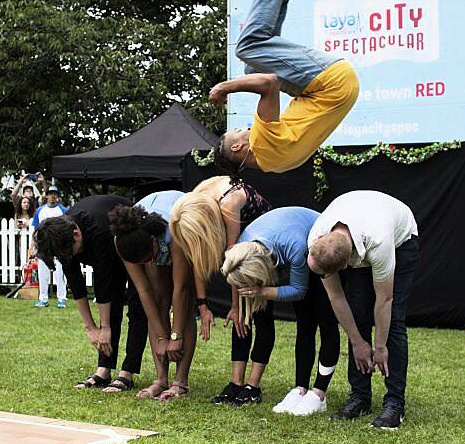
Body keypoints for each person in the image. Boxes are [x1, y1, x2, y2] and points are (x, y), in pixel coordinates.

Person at [211, 0, 360, 175]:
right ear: (237, 145)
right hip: (331, 83)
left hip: (334, 91)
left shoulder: (275, 165)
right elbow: (269, 83)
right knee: (248, 47)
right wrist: (224, 88)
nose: (246, 128)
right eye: (238, 131)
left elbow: (263, 77)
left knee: (254, 65)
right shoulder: (261, 144)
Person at [308, 190, 420, 431]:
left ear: (347, 266)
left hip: (401, 239)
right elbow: (336, 296)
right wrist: (358, 342)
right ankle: (360, 397)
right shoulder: (317, 239)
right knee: (358, 319)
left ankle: (394, 404)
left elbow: (385, 300)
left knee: (394, 323)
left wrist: (380, 348)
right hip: (357, 227)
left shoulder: (379, 242)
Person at [220, 207, 339, 415]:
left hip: (322, 246)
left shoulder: (294, 246)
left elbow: (299, 291)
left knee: (324, 319)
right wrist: (238, 303)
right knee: (304, 323)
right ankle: (300, 388)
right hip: (290, 240)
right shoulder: (243, 245)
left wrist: (263, 290)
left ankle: (319, 393)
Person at [169, 176, 272, 406]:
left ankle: (252, 386)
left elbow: (233, 258)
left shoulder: (229, 203)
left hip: (260, 245)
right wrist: (202, 305)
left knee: (255, 311)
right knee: (240, 320)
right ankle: (236, 383)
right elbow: (198, 257)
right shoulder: (194, 201)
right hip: (237, 247)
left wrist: (235, 306)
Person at [34, 195, 148, 393]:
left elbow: (104, 285)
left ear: (76, 235)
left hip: (131, 243)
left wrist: (103, 328)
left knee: (137, 308)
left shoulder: (98, 230)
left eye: (71, 252)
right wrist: (90, 327)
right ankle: (104, 370)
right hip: (107, 248)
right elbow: (76, 283)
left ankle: (127, 373)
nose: (69, 258)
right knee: (110, 313)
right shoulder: (61, 235)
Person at [108, 191, 195, 402]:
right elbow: (144, 291)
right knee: (158, 299)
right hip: (151, 236)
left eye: (151, 257)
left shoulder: (175, 230)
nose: (152, 262)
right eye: (145, 261)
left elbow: (180, 289)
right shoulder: (123, 241)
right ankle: (161, 380)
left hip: (182, 228)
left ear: (153, 241)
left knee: (184, 303)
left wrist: (175, 337)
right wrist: (161, 339)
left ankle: (180, 382)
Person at [31, 186, 67, 308]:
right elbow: (35, 230)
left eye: (55, 194)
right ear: (46, 196)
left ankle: (61, 299)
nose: (53, 196)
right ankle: (43, 299)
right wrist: (33, 246)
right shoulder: (40, 211)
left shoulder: (63, 210)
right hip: (43, 246)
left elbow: (67, 228)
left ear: (57, 196)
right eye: (50, 194)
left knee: (59, 273)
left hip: (58, 246)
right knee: (42, 273)